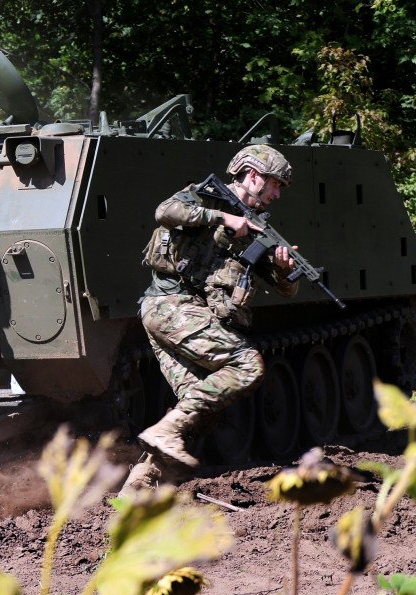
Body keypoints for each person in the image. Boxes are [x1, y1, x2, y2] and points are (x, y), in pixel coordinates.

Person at [121, 144, 299, 493]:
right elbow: (164, 211)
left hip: (179, 314)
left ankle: (138, 487)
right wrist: (222, 218)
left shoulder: (258, 229)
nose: (277, 193)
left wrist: (282, 270)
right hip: (170, 305)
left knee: (201, 409)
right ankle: (162, 432)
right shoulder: (203, 197)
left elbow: (284, 290)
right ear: (252, 176)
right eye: (275, 184)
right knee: (247, 365)